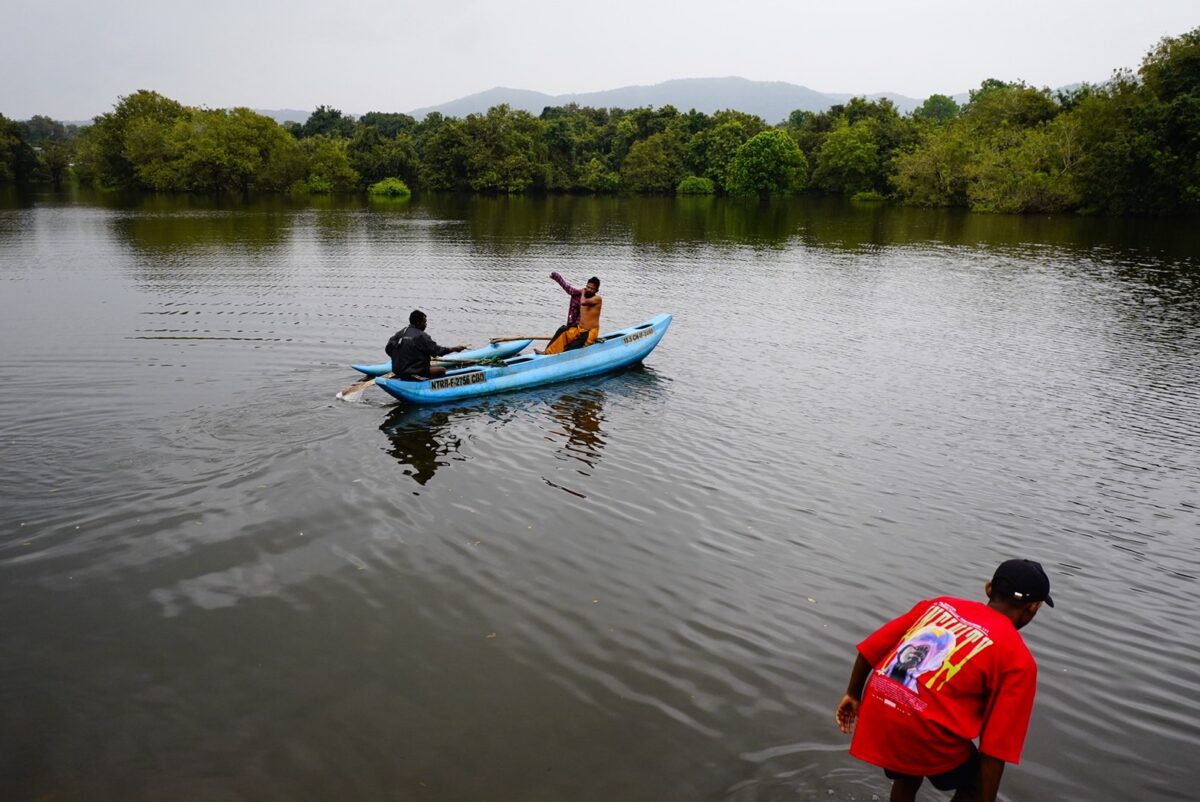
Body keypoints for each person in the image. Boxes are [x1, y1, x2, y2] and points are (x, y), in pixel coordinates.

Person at [834, 559, 1054, 802]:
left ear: (989, 588)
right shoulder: (1018, 660)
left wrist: (853, 694)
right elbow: (995, 748)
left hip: (881, 707)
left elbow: (871, 648)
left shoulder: (939, 606)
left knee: (909, 768)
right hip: (921, 729)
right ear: (1033, 607)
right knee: (975, 784)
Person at [385, 310, 467, 380]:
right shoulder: (422, 336)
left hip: (399, 372)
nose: (426, 324)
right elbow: (438, 351)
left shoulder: (401, 333)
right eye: (424, 322)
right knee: (442, 369)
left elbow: (388, 349)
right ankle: (430, 386)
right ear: (418, 323)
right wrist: (454, 349)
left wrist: (399, 357)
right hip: (416, 372)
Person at [542, 274, 602, 355]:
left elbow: (583, 302)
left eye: (592, 289)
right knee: (563, 331)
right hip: (579, 330)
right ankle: (547, 352)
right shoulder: (582, 296)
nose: (589, 290)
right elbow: (570, 290)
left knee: (570, 348)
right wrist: (557, 278)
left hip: (589, 333)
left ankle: (563, 356)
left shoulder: (597, 299)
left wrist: (582, 291)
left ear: (596, 290)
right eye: (588, 287)